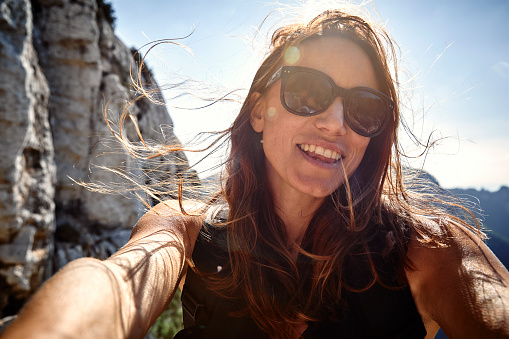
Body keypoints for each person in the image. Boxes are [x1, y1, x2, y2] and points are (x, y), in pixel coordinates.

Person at [2, 8, 509, 339]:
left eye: (364, 108)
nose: (335, 123)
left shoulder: (427, 250)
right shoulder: (187, 226)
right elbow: (118, 285)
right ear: (259, 111)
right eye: (307, 90)